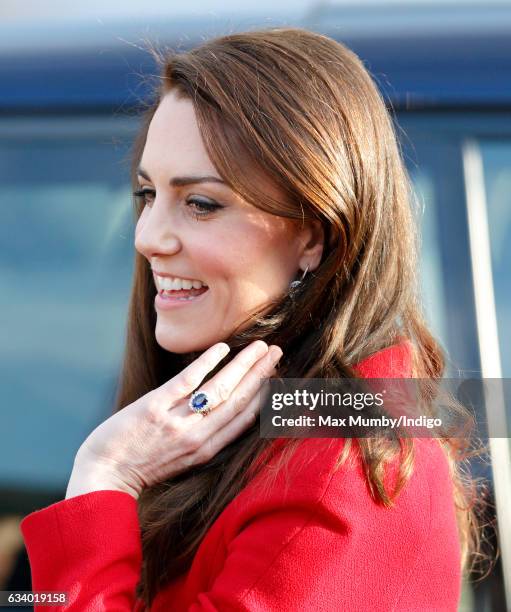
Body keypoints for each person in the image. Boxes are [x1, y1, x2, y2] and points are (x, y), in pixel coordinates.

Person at [20, 27, 483, 611]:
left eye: (201, 203)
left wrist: (102, 477)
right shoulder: (266, 428)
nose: (147, 237)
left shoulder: (335, 474)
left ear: (313, 234)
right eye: (146, 195)